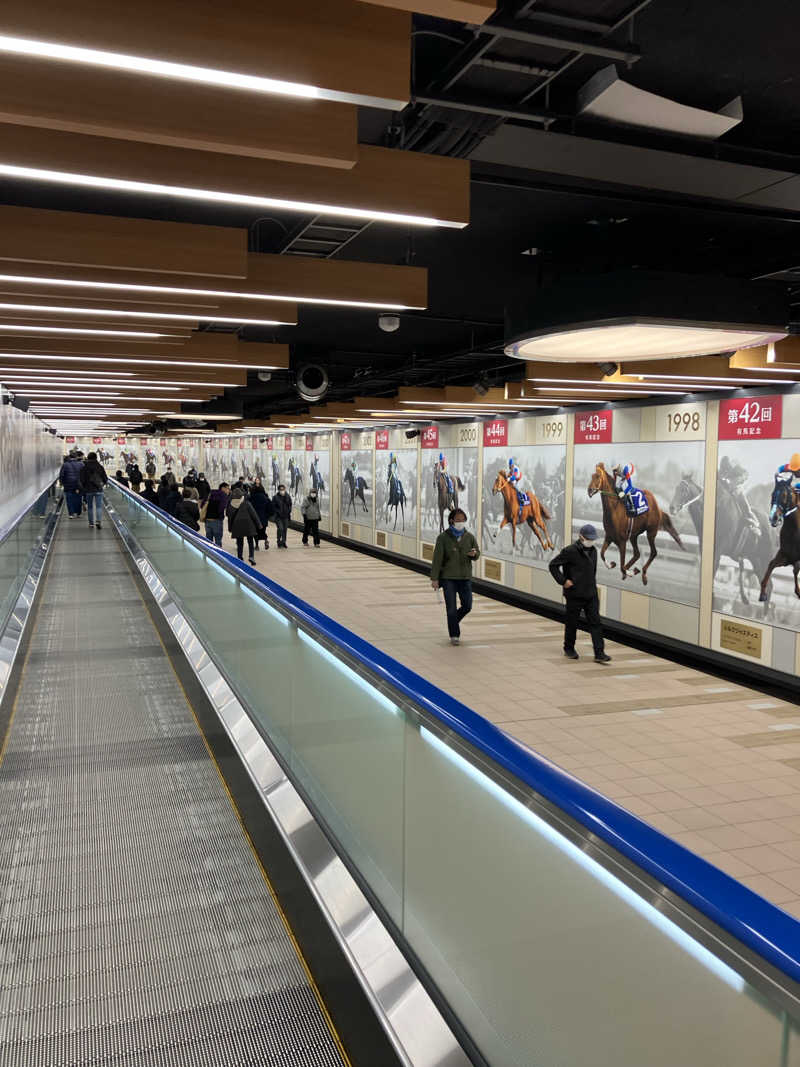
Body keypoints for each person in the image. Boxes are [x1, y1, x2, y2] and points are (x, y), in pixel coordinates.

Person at [549, 523, 611, 664]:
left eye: (593, 538)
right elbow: (553, 565)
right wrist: (563, 581)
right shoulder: (570, 551)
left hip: (591, 594)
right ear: (581, 537)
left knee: (596, 623)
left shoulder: (594, 551)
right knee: (572, 622)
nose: (591, 541)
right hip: (574, 594)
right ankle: (569, 648)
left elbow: (592, 571)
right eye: (588, 538)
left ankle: (599, 653)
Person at [430, 508, 480, 646]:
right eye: (458, 520)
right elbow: (437, 559)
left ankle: (452, 621)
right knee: (451, 608)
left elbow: (477, 553)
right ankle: (454, 634)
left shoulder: (469, 537)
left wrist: (474, 554)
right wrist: (434, 578)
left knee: (467, 606)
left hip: (465, 578)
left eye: (463, 520)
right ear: (451, 520)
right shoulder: (443, 538)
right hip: (448, 578)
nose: (461, 522)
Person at [227, 487, 259, 565]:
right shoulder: (246, 503)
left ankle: (240, 557)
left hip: (237, 526)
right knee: (250, 541)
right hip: (248, 525)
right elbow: (254, 515)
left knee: (239, 542)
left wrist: (230, 528)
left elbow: (230, 517)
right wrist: (259, 525)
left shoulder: (231, 505)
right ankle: (251, 556)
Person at [79, 451, 108, 530]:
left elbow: (82, 479)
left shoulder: (84, 467)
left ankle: (91, 523)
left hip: (88, 490)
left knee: (90, 507)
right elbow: (105, 478)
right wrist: (103, 484)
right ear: (96, 458)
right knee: (98, 506)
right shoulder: (100, 467)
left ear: (88, 458)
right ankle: (98, 521)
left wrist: (84, 487)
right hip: (99, 489)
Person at [59, 450, 84, 518]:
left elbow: (62, 475)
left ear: (69, 457)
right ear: (76, 457)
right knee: (78, 498)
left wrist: (61, 483)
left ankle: (71, 514)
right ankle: (78, 513)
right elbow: (84, 474)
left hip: (68, 485)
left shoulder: (65, 464)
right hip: (78, 485)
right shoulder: (81, 464)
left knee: (69, 499)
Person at [249, 477, 273, 550]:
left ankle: (256, 546)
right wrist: (267, 516)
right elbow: (271, 508)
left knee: (255, 532)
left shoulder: (251, 498)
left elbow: (249, 509)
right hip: (263, 518)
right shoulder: (266, 498)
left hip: (254, 518)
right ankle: (266, 540)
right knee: (263, 531)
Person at [272, 483, 292, 548]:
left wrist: (289, 511)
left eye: (283, 489)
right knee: (280, 528)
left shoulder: (288, 496)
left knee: (285, 529)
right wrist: (277, 512)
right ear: (278, 490)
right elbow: (273, 507)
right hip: (278, 517)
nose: (282, 491)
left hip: (286, 516)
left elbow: (290, 505)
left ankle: (283, 542)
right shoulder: (275, 497)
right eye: (281, 489)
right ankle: (278, 541)